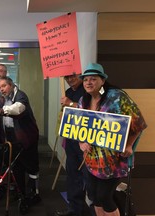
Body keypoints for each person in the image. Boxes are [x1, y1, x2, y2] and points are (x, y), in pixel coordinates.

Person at [77, 63, 147, 216]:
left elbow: (139, 123)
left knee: (105, 197)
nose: (88, 82)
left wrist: (129, 145)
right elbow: (79, 127)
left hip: (113, 160)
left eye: (93, 79)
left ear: (102, 81)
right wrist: (81, 142)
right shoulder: (83, 101)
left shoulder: (116, 97)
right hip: (90, 159)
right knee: (94, 197)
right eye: (85, 79)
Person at [0, 77, 41, 212]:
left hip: (26, 137)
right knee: (16, 166)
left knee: (31, 166)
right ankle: (22, 193)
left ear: (11, 85)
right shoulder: (1, 100)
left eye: (4, 86)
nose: (2, 89)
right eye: (0, 87)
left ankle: (34, 193)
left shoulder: (21, 96)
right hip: (10, 137)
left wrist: (0, 111)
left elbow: (18, 109)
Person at [54, 73, 90, 216]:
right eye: (67, 78)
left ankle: (93, 210)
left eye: (73, 77)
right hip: (72, 139)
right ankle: (75, 210)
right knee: (72, 176)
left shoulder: (87, 90)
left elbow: (90, 112)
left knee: (88, 178)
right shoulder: (68, 92)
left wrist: (70, 103)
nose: (70, 80)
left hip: (86, 141)